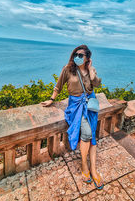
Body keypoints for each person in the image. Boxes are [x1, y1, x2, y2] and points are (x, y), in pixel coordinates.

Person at [40, 45, 104, 190]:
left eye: (81, 55)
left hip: (90, 105)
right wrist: (51, 99)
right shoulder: (68, 69)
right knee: (87, 133)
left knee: (91, 136)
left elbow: (98, 84)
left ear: (87, 58)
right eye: (76, 54)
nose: (78, 57)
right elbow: (59, 86)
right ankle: (84, 165)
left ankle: (93, 170)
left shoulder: (90, 70)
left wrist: (93, 75)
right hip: (76, 106)